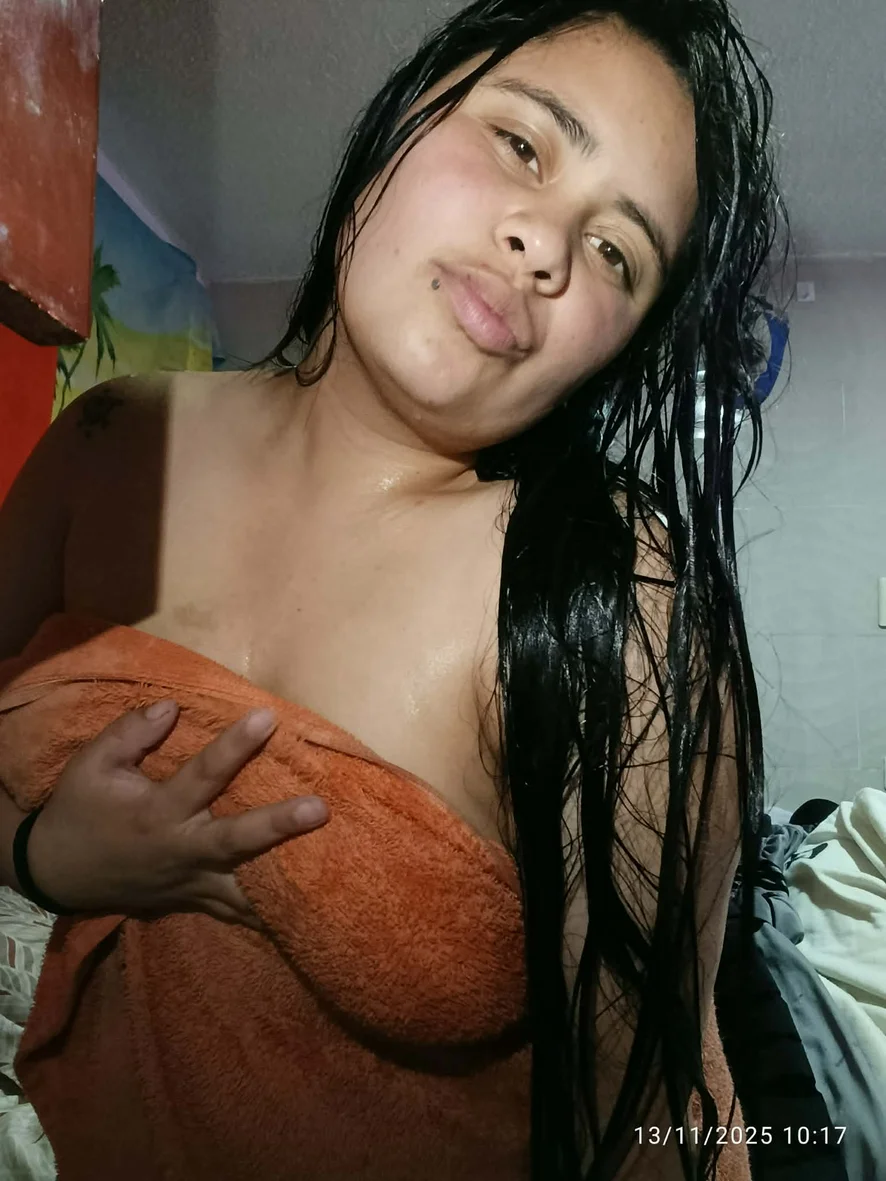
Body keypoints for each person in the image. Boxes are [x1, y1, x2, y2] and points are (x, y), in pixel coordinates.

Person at [0, 0, 782, 1177]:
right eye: (521, 143)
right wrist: (38, 853)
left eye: (615, 252)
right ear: (407, 116)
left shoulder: (616, 607)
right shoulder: (104, 445)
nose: (544, 246)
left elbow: (651, 1122)